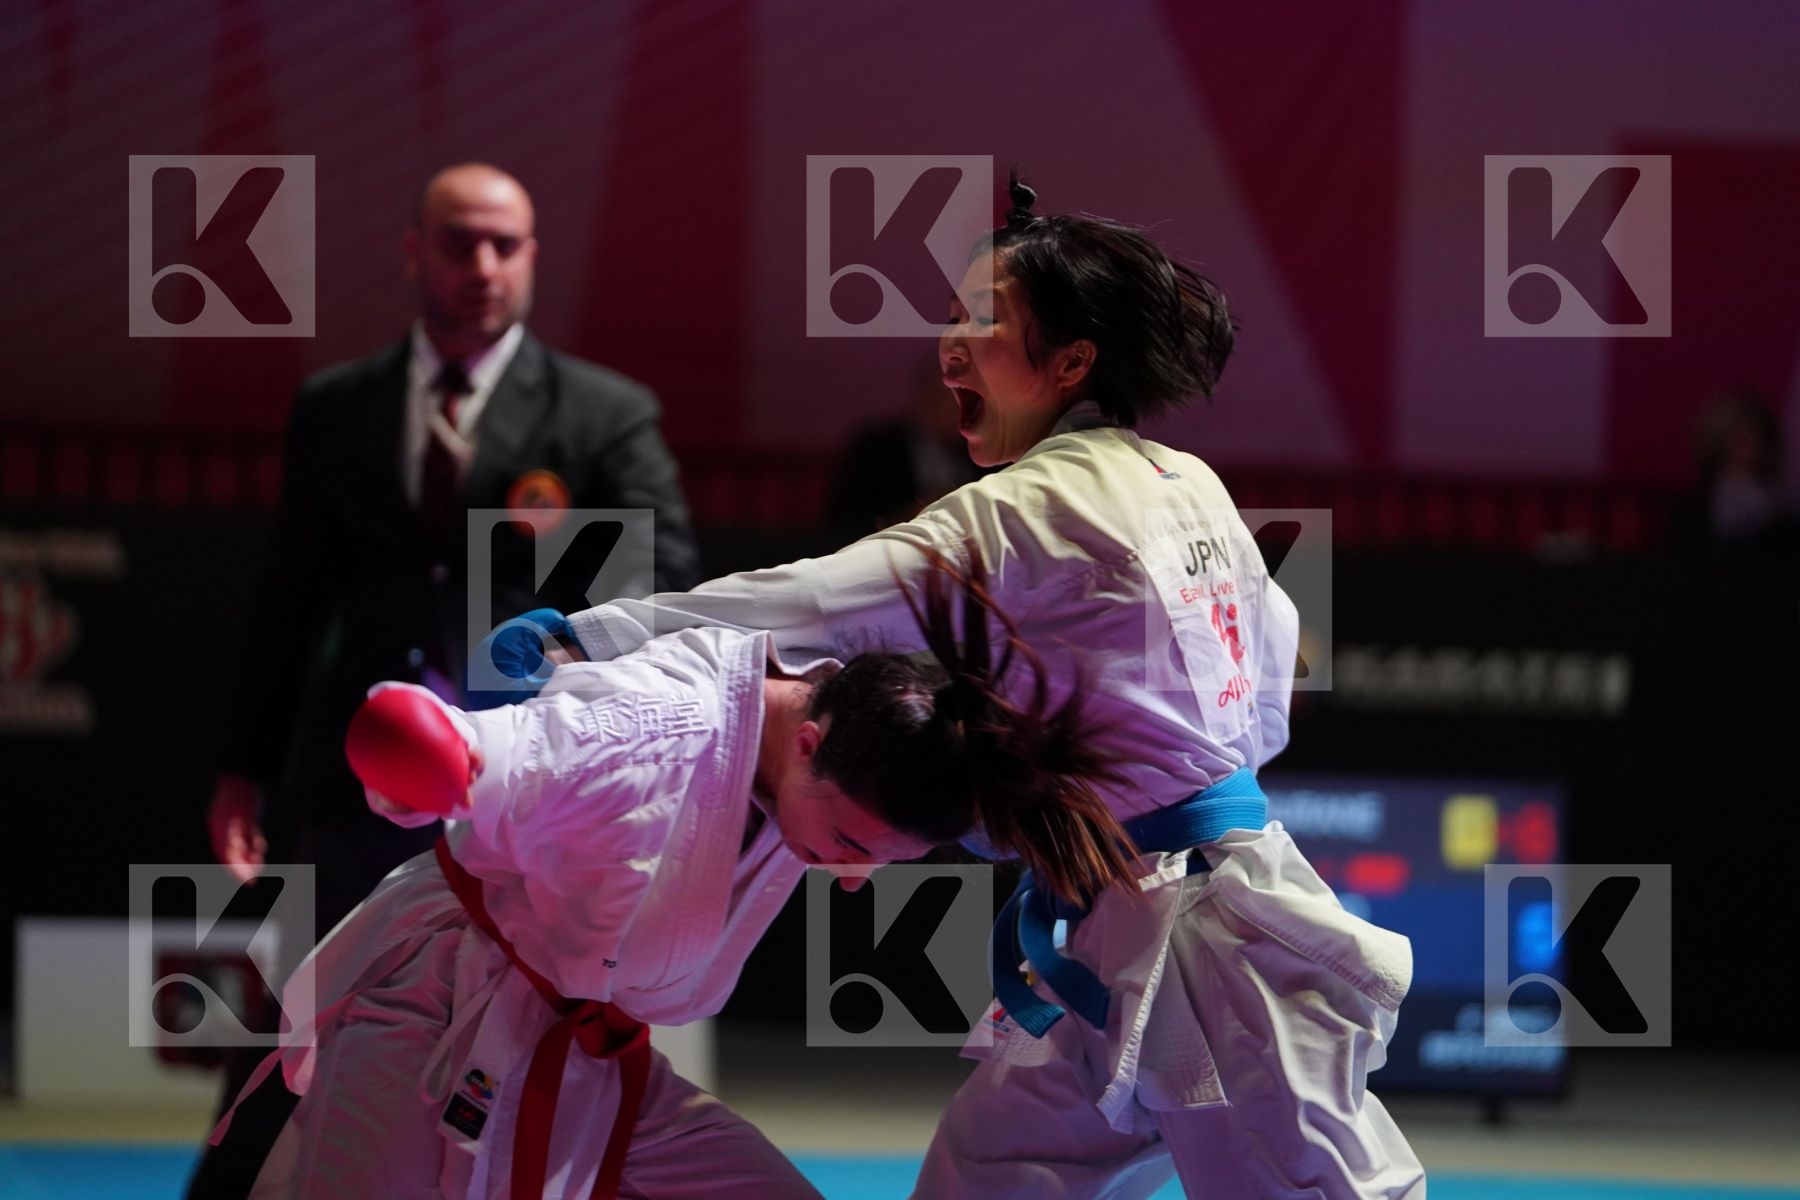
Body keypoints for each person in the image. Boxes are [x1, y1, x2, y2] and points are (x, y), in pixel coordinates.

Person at [540, 178, 1425, 1198]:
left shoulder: (1025, 509)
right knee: (991, 1173)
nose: (949, 345)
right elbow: (1266, 696)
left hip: (1217, 948)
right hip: (1116, 924)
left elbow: (810, 603)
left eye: (980, 321)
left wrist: (588, 635)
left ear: (1071, 362)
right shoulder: (1192, 482)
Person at [226, 552, 1127, 1199]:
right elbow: (491, 749)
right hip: (430, 1013)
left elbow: (805, 589)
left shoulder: (851, 702)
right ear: (808, 743)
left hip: (584, 1049)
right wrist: (436, 750)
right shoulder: (649, 729)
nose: (851, 879)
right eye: (850, 845)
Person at [192, 162, 701, 1199]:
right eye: (459, 242)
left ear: (532, 257)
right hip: (361, 774)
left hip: (531, 790)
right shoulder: (338, 407)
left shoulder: (605, 415)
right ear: (413, 250)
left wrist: (568, 657)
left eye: (503, 245)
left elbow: (668, 582)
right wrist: (244, 765)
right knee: (303, 1010)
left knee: (537, 1028)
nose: (482, 265)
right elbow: (287, 600)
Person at [825, 352, 993, 545]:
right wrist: (907, 518)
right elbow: (841, 525)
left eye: (972, 400)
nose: (964, 409)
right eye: (952, 398)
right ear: (924, 398)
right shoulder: (877, 450)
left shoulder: (987, 452)